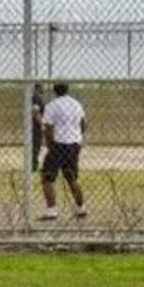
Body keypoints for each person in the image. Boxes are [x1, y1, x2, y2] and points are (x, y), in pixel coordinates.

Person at [39, 83, 87, 220]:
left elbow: (48, 127)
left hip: (58, 144)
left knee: (47, 177)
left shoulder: (51, 106)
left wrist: (49, 144)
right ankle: (81, 208)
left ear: (55, 92)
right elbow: (83, 124)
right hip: (74, 144)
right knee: (72, 177)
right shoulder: (76, 104)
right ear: (67, 90)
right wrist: (76, 136)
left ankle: (52, 210)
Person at [31, 83, 46, 172]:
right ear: (39, 87)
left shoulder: (36, 96)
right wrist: (41, 124)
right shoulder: (36, 97)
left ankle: (34, 165)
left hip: (35, 125)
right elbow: (35, 112)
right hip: (35, 125)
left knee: (36, 146)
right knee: (36, 145)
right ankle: (33, 166)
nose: (43, 88)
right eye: (42, 86)